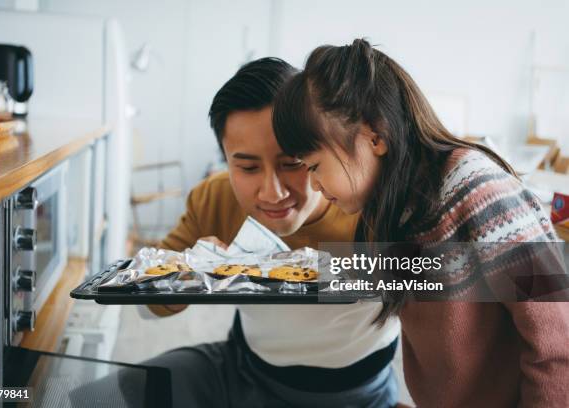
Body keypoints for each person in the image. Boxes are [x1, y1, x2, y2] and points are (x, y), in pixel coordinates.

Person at [271, 38, 569, 407]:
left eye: (315, 166)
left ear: (374, 137)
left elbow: (558, 338)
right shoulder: (396, 206)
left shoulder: (479, 192)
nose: (314, 184)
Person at [140, 57, 401, 408]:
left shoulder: (375, 204)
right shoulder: (215, 198)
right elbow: (144, 303)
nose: (272, 193)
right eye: (247, 167)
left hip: (359, 392)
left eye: (292, 163)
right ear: (225, 161)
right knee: (103, 396)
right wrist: (186, 280)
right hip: (242, 371)